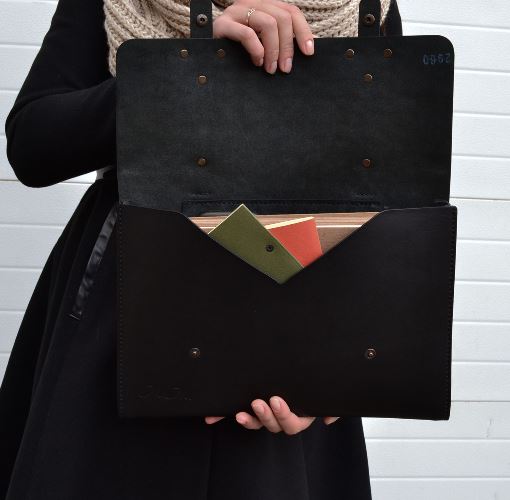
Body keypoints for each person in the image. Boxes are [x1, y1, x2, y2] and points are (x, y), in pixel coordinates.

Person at [0, 0, 402, 498]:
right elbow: (33, 145)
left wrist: (340, 374)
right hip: (129, 313)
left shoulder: (361, 7)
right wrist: (183, 67)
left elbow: (387, 186)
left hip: (301, 309)